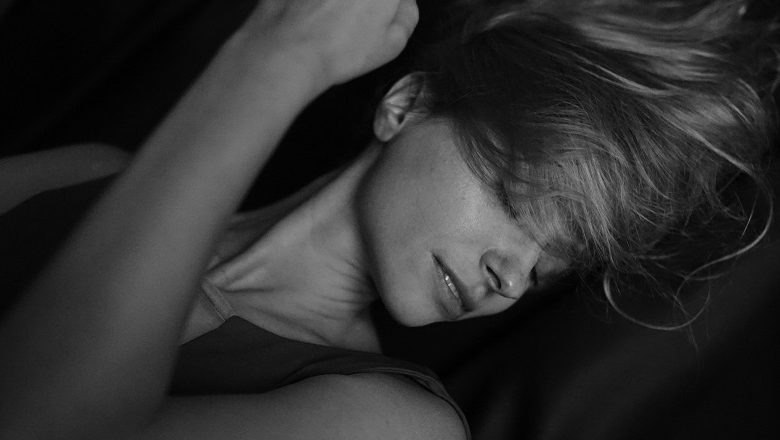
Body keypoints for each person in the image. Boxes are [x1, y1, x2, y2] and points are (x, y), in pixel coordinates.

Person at [0, 0, 777, 439]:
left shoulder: (389, 426)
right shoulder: (88, 178)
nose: (511, 275)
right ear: (406, 105)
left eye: (546, 267)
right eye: (516, 200)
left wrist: (279, 56)